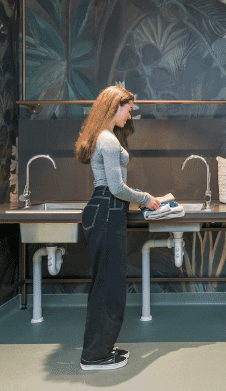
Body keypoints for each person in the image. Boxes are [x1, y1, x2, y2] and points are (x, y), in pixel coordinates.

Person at [74, 85, 168, 371]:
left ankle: (101, 349)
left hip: (105, 210)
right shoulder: (109, 141)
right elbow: (115, 187)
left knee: (107, 284)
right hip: (107, 211)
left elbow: (113, 186)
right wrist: (146, 199)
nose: (130, 114)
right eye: (128, 108)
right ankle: (94, 356)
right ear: (115, 106)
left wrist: (140, 197)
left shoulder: (103, 138)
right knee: (108, 286)